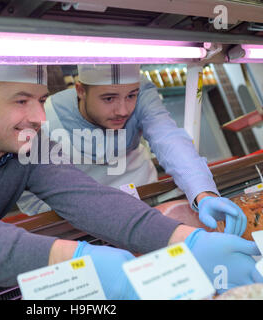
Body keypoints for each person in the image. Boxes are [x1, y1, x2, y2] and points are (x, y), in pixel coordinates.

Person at [0, 65, 261, 299]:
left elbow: (90, 199)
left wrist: (185, 239)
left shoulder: (28, 146)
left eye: (41, 100)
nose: (39, 116)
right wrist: (80, 259)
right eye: (21, 101)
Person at [17, 64, 247, 237]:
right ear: (81, 91)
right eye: (108, 98)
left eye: (131, 96)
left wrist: (203, 193)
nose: (123, 110)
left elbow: (168, 138)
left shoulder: (142, 92)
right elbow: (32, 196)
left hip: (146, 205)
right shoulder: (45, 119)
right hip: (77, 225)